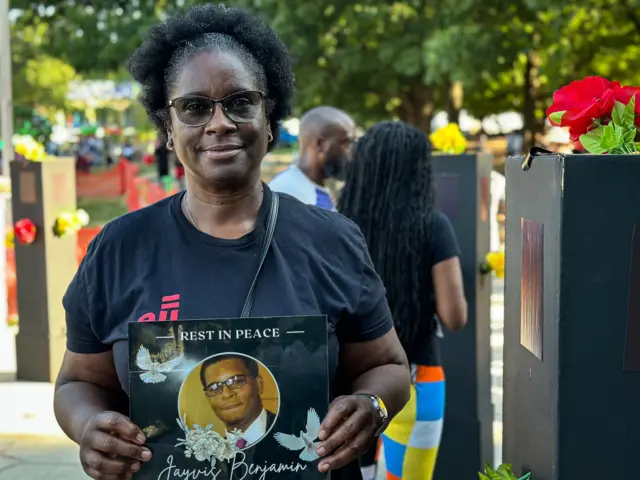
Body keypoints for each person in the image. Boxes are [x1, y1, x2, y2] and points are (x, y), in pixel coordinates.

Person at [53, 5, 410, 480]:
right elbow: (77, 381)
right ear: (167, 127)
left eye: (240, 102)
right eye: (195, 107)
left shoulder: (333, 241)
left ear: (269, 119)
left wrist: (372, 405)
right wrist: (88, 426)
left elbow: (389, 367)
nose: (219, 123)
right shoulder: (119, 248)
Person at [338, 121, 467, 480]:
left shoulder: (337, 224)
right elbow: (455, 317)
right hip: (418, 376)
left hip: (351, 386)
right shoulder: (433, 226)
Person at [269, 106, 355, 210]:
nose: (351, 152)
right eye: (346, 143)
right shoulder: (288, 194)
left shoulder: (311, 188)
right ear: (321, 144)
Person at [200, 355, 275, 448]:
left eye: (236, 381)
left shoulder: (289, 431)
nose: (226, 394)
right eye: (214, 388)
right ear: (208, 398)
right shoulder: (210, 456)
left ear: (258, 384)